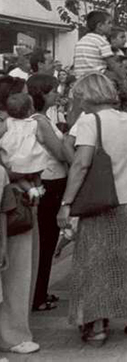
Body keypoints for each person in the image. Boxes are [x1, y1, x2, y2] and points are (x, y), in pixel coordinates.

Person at [56, 73, 127, 345]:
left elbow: (81, 164)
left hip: (101, 201)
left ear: (87, 96)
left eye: (79, 96)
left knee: (95, 262)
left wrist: (66, 203)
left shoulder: (89, 121)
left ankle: (96, 326)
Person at [0, 79, 39, 355]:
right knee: (17, 272)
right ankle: (13, 334)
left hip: (13, 197)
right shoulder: (15, 126)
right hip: (14, 204)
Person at [27, 74, 71, 314]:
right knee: (46, 240)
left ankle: (40, 290)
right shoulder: (40, 121)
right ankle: (38, 294)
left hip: (52, 181)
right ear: (42, 93)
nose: (57, 94)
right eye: (53, 90)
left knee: (46, 240)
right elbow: (60, 153)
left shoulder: (42, 119)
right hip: (51, 182)